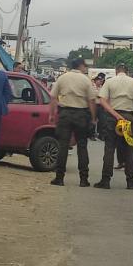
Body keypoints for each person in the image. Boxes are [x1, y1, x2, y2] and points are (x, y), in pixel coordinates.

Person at [95, 63, 133, 190]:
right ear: (127, 71)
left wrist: (115, 115)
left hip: (112, 118)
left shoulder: (110, 82)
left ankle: (105, 180)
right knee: (129, 149)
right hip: (128, 118)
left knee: (110, 148)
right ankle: (130, 181)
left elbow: (102, 101)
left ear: (116, 71)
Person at [49, 58, 97, 187]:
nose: (85, 68)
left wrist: (52, 114)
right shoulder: (86, 80)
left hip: (65, 114)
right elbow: (92, 100)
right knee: (82, 146)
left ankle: (59, 178)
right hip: (81, 114)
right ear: (80, 66)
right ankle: (83, 179)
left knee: (63, 146)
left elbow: (53, 97)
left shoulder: (63, 78)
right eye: (85, 66)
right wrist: (93, 118)